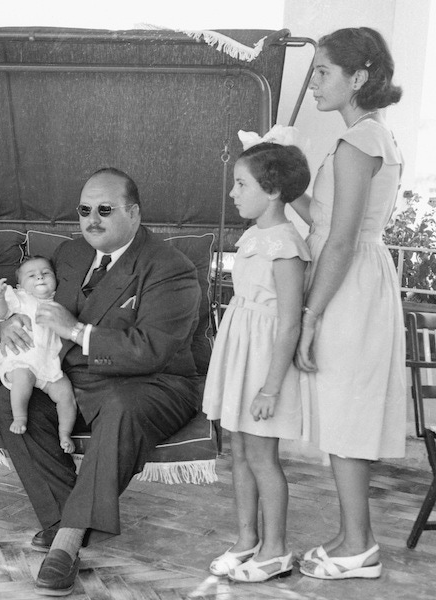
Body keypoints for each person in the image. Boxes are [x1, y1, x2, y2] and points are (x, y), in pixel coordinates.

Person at [0, 167, 201, 596]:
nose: (92, 219)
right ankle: (63, 517)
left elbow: (151, 349)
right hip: (72, 375)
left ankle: (66, 542)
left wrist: (76, 332)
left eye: (105, 209)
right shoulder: (70, 254)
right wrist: (9, 322)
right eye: (84, 209)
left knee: (123, 409)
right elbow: (34, 301)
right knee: (10, 399)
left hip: (151, 382)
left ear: (134, 212)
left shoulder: (169, 267)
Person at [293, 27, 405, 580]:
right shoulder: (367, 137)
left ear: (358, 77)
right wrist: (283, 174)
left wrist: (310, 315)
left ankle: (360, 546)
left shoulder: (359, 142)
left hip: (349, 284)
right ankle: (350, 536)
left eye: (322, 72)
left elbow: (338, 240)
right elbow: (322, 218)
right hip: (356, 278)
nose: (313, 82)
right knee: (343, 412)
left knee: (346, 413)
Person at [202, 133, 311, 583]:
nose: (233, 193)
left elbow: (288, 322)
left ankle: (276, 548)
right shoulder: (253, 236)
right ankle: (247, 538)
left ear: (272, 191)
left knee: (264, 456)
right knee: (240, 451)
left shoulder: (286, 244)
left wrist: (271, 386)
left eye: (241, 184)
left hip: (265, 358)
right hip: (240, 348)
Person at [0, 256, 77, 453]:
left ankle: (65, 433)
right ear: (20, 285)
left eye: (46, 273)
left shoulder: (61, 301)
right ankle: (20, 417)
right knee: (22, 378)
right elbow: (0, 315)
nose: (40, 278)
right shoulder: (20, 297)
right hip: (23, 357)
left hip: (49, 363)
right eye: (32, 275)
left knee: (65, 394)